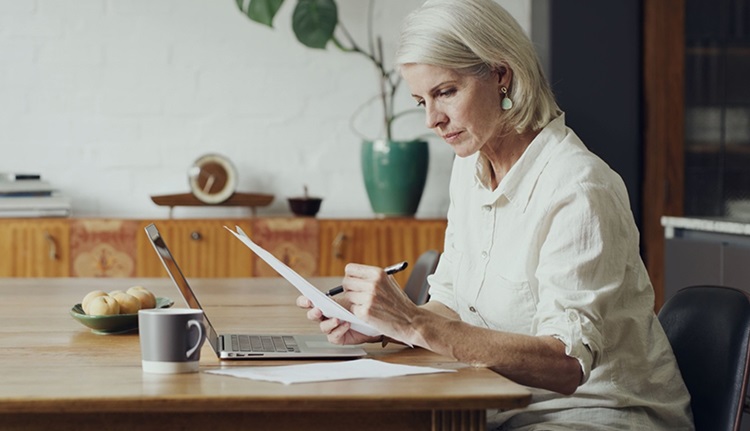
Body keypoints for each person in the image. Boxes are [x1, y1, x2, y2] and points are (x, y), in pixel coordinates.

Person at [296, 0, 694, 429]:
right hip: (505, 406)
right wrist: (384, 326)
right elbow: (452, 306)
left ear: (501, 76)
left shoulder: (579, 189)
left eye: (446, 92)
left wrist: (412, 322)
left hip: (599, 416)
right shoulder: (469, 167)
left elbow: (566, 364)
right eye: (421, 101)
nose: (433, 119)